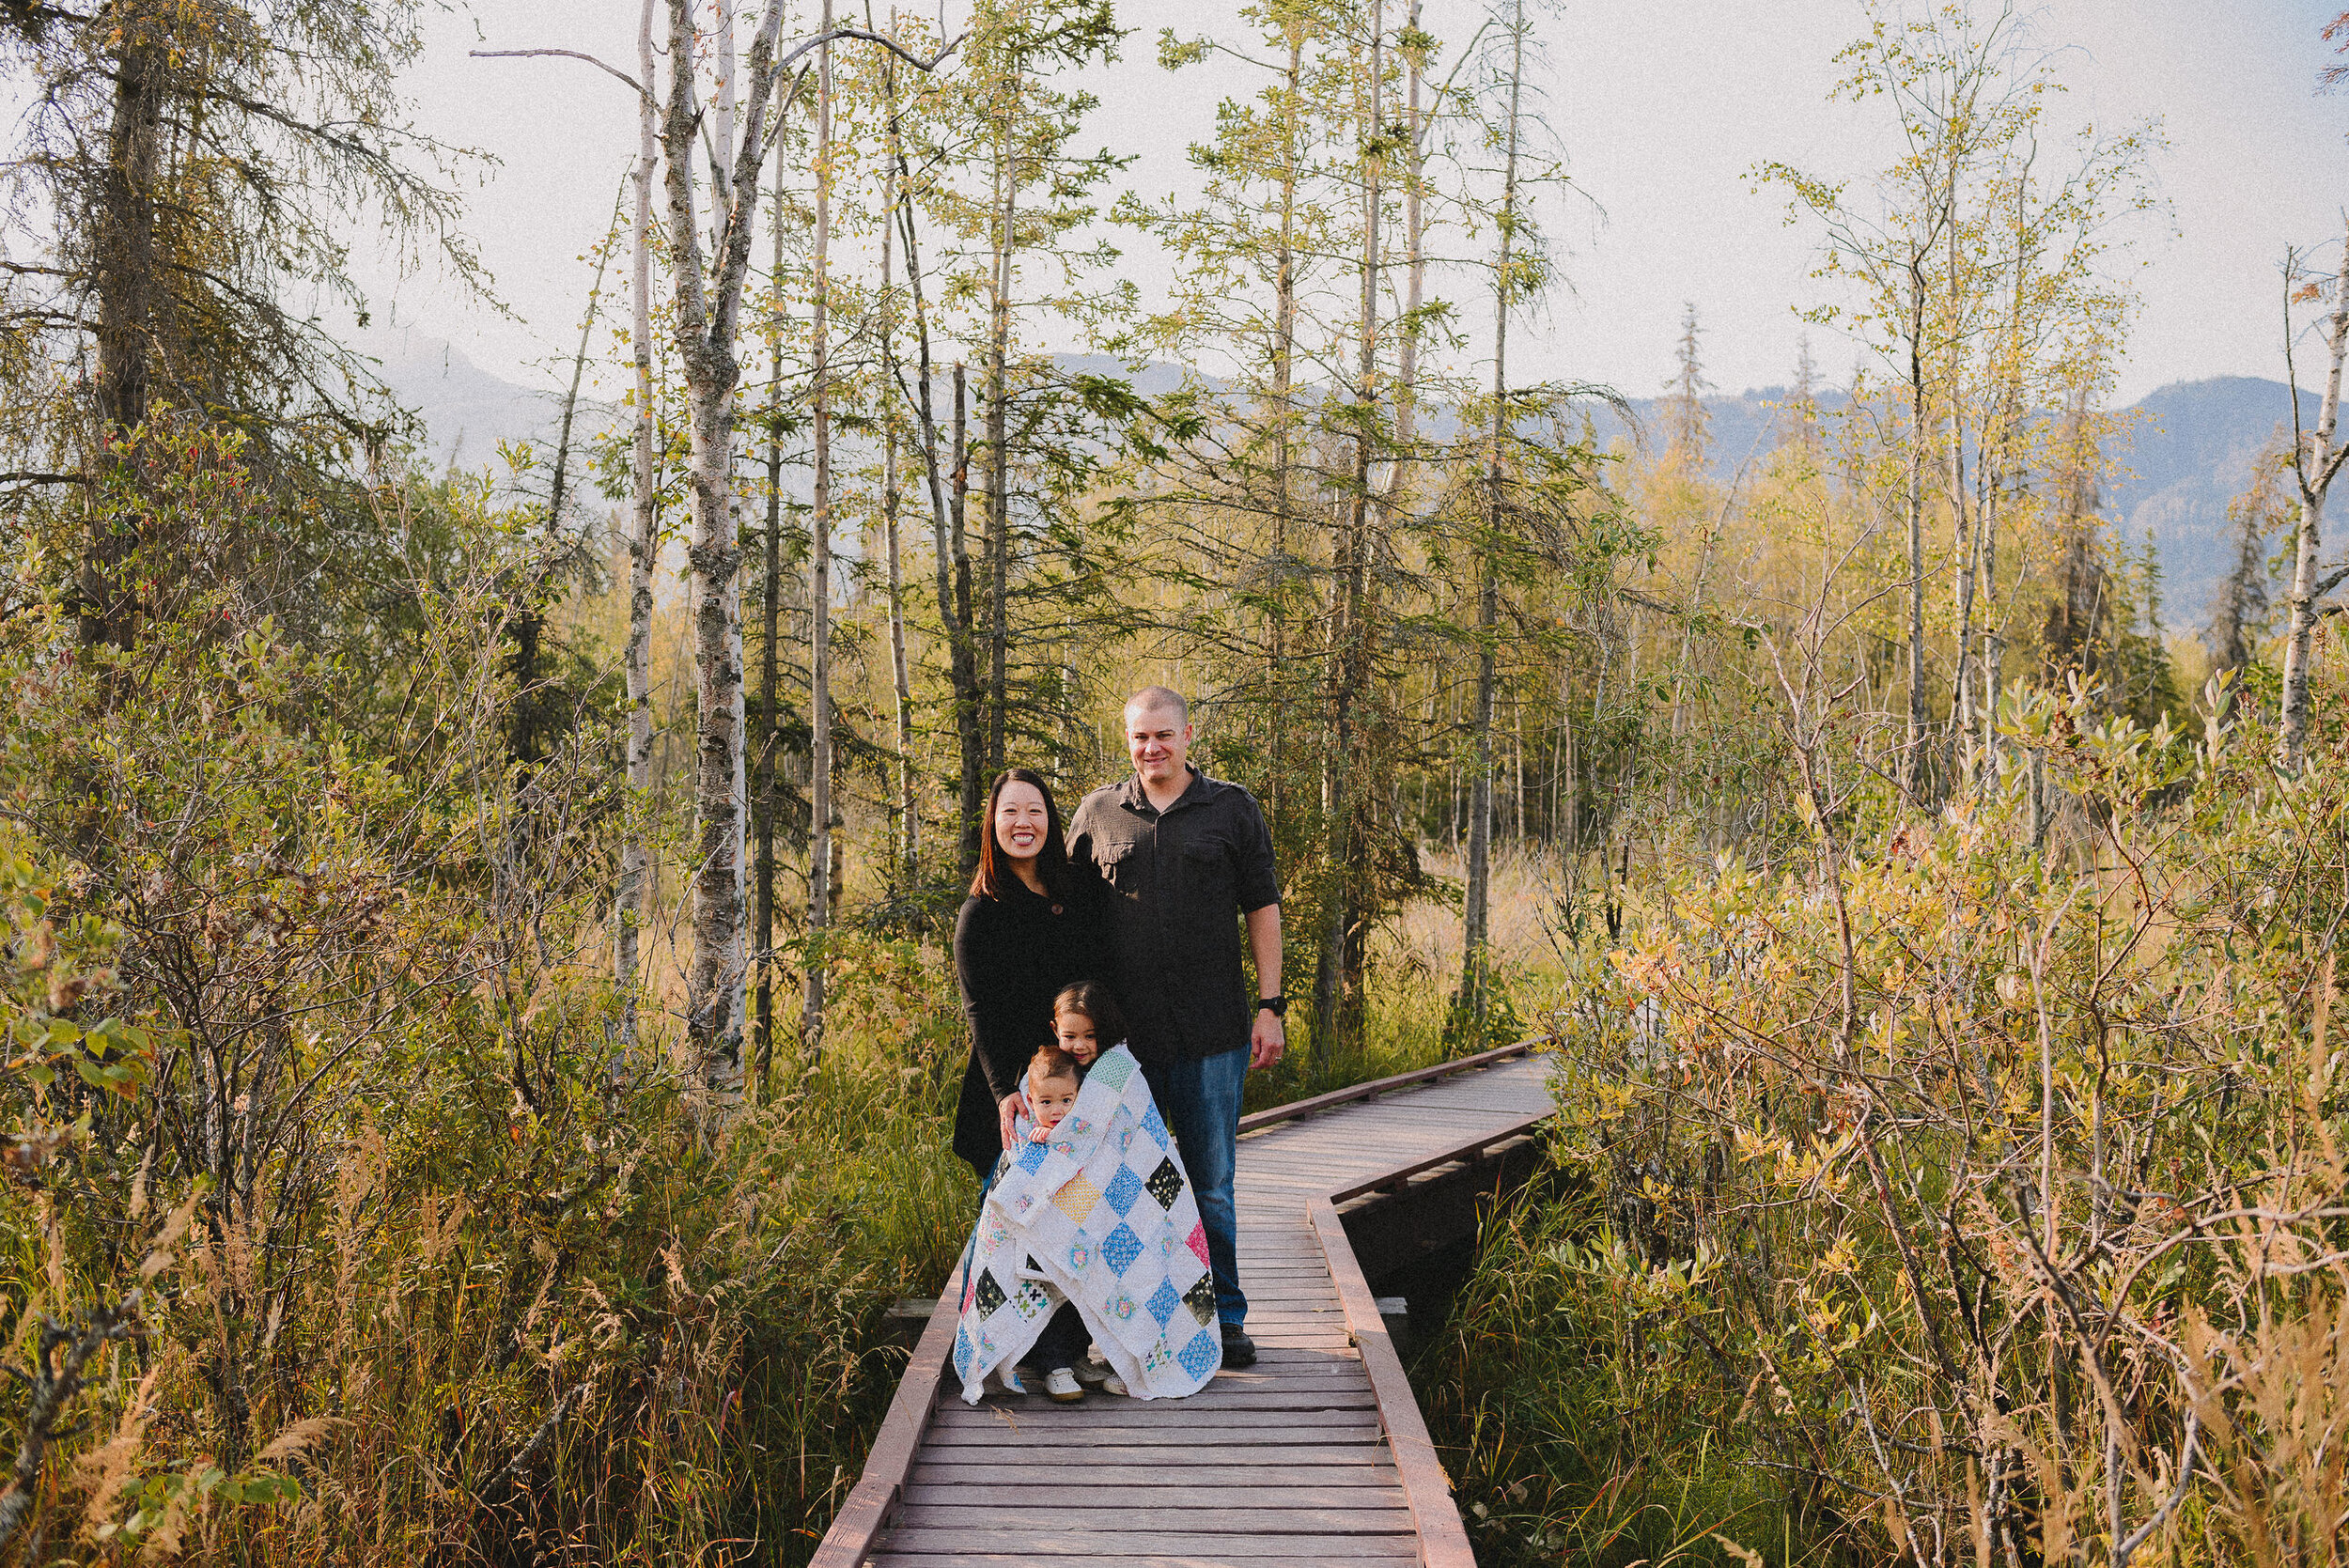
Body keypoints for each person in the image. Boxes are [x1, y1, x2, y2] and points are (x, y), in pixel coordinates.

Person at [1066, 686, 1284, 1369]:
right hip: (1122, 1046)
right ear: (1126, 741)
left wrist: (1271, 1004)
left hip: (1212, 1035)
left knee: (1210, 1183)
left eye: (1164, 735)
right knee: (1123, 1184)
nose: (1152, 748)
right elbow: (1060, 907)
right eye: (1139, 737)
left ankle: (1223, 1319)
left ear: (1188, 736)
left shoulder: (1231, 809)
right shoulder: (1099, 814)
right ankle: (1127, 1320)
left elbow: (1263, 907)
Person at [950, 769, 1108, 1188]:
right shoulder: (980, 914)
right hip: (1020, 1088)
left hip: (1081, 1078)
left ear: (1050, 821)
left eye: (1035, 810)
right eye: (1011, 811)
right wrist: (1003, 1091)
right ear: (993, 823)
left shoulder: (1077, 890)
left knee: (1083, 1213)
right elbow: (978, 1012)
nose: (1024, 822)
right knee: (1006, 1221)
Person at [1018, 1045, 1093, 1401]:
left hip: (1079, 1231)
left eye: (1066, 1100)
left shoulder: (1082, 1129)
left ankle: (1079, 1356)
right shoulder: (1034, 1136)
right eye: (1046, 1103)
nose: (1058, 1111)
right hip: (1044, 1239)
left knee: (1080, 1294)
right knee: (1048, 1295)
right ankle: (1053, 1365)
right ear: (1031, 1103)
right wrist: (1045, 1142)